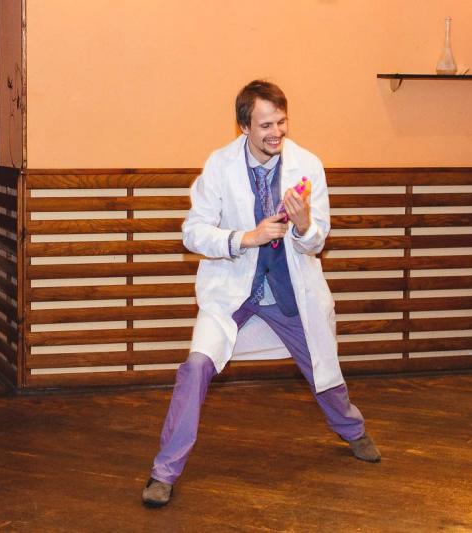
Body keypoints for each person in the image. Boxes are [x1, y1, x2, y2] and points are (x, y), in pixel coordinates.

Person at [141, 80, 380, 508]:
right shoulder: (219, 165)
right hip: (234, 291)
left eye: (282, 122)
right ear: (244, 127)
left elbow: (317, 241)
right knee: (195, 368)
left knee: (322, 370)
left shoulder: (308, 164)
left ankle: (353, 431)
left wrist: (304, 226)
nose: (277, 132)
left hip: (289, 294)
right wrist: (245, 238)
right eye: (266, 124)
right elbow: (192, 233)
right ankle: (163, 473)